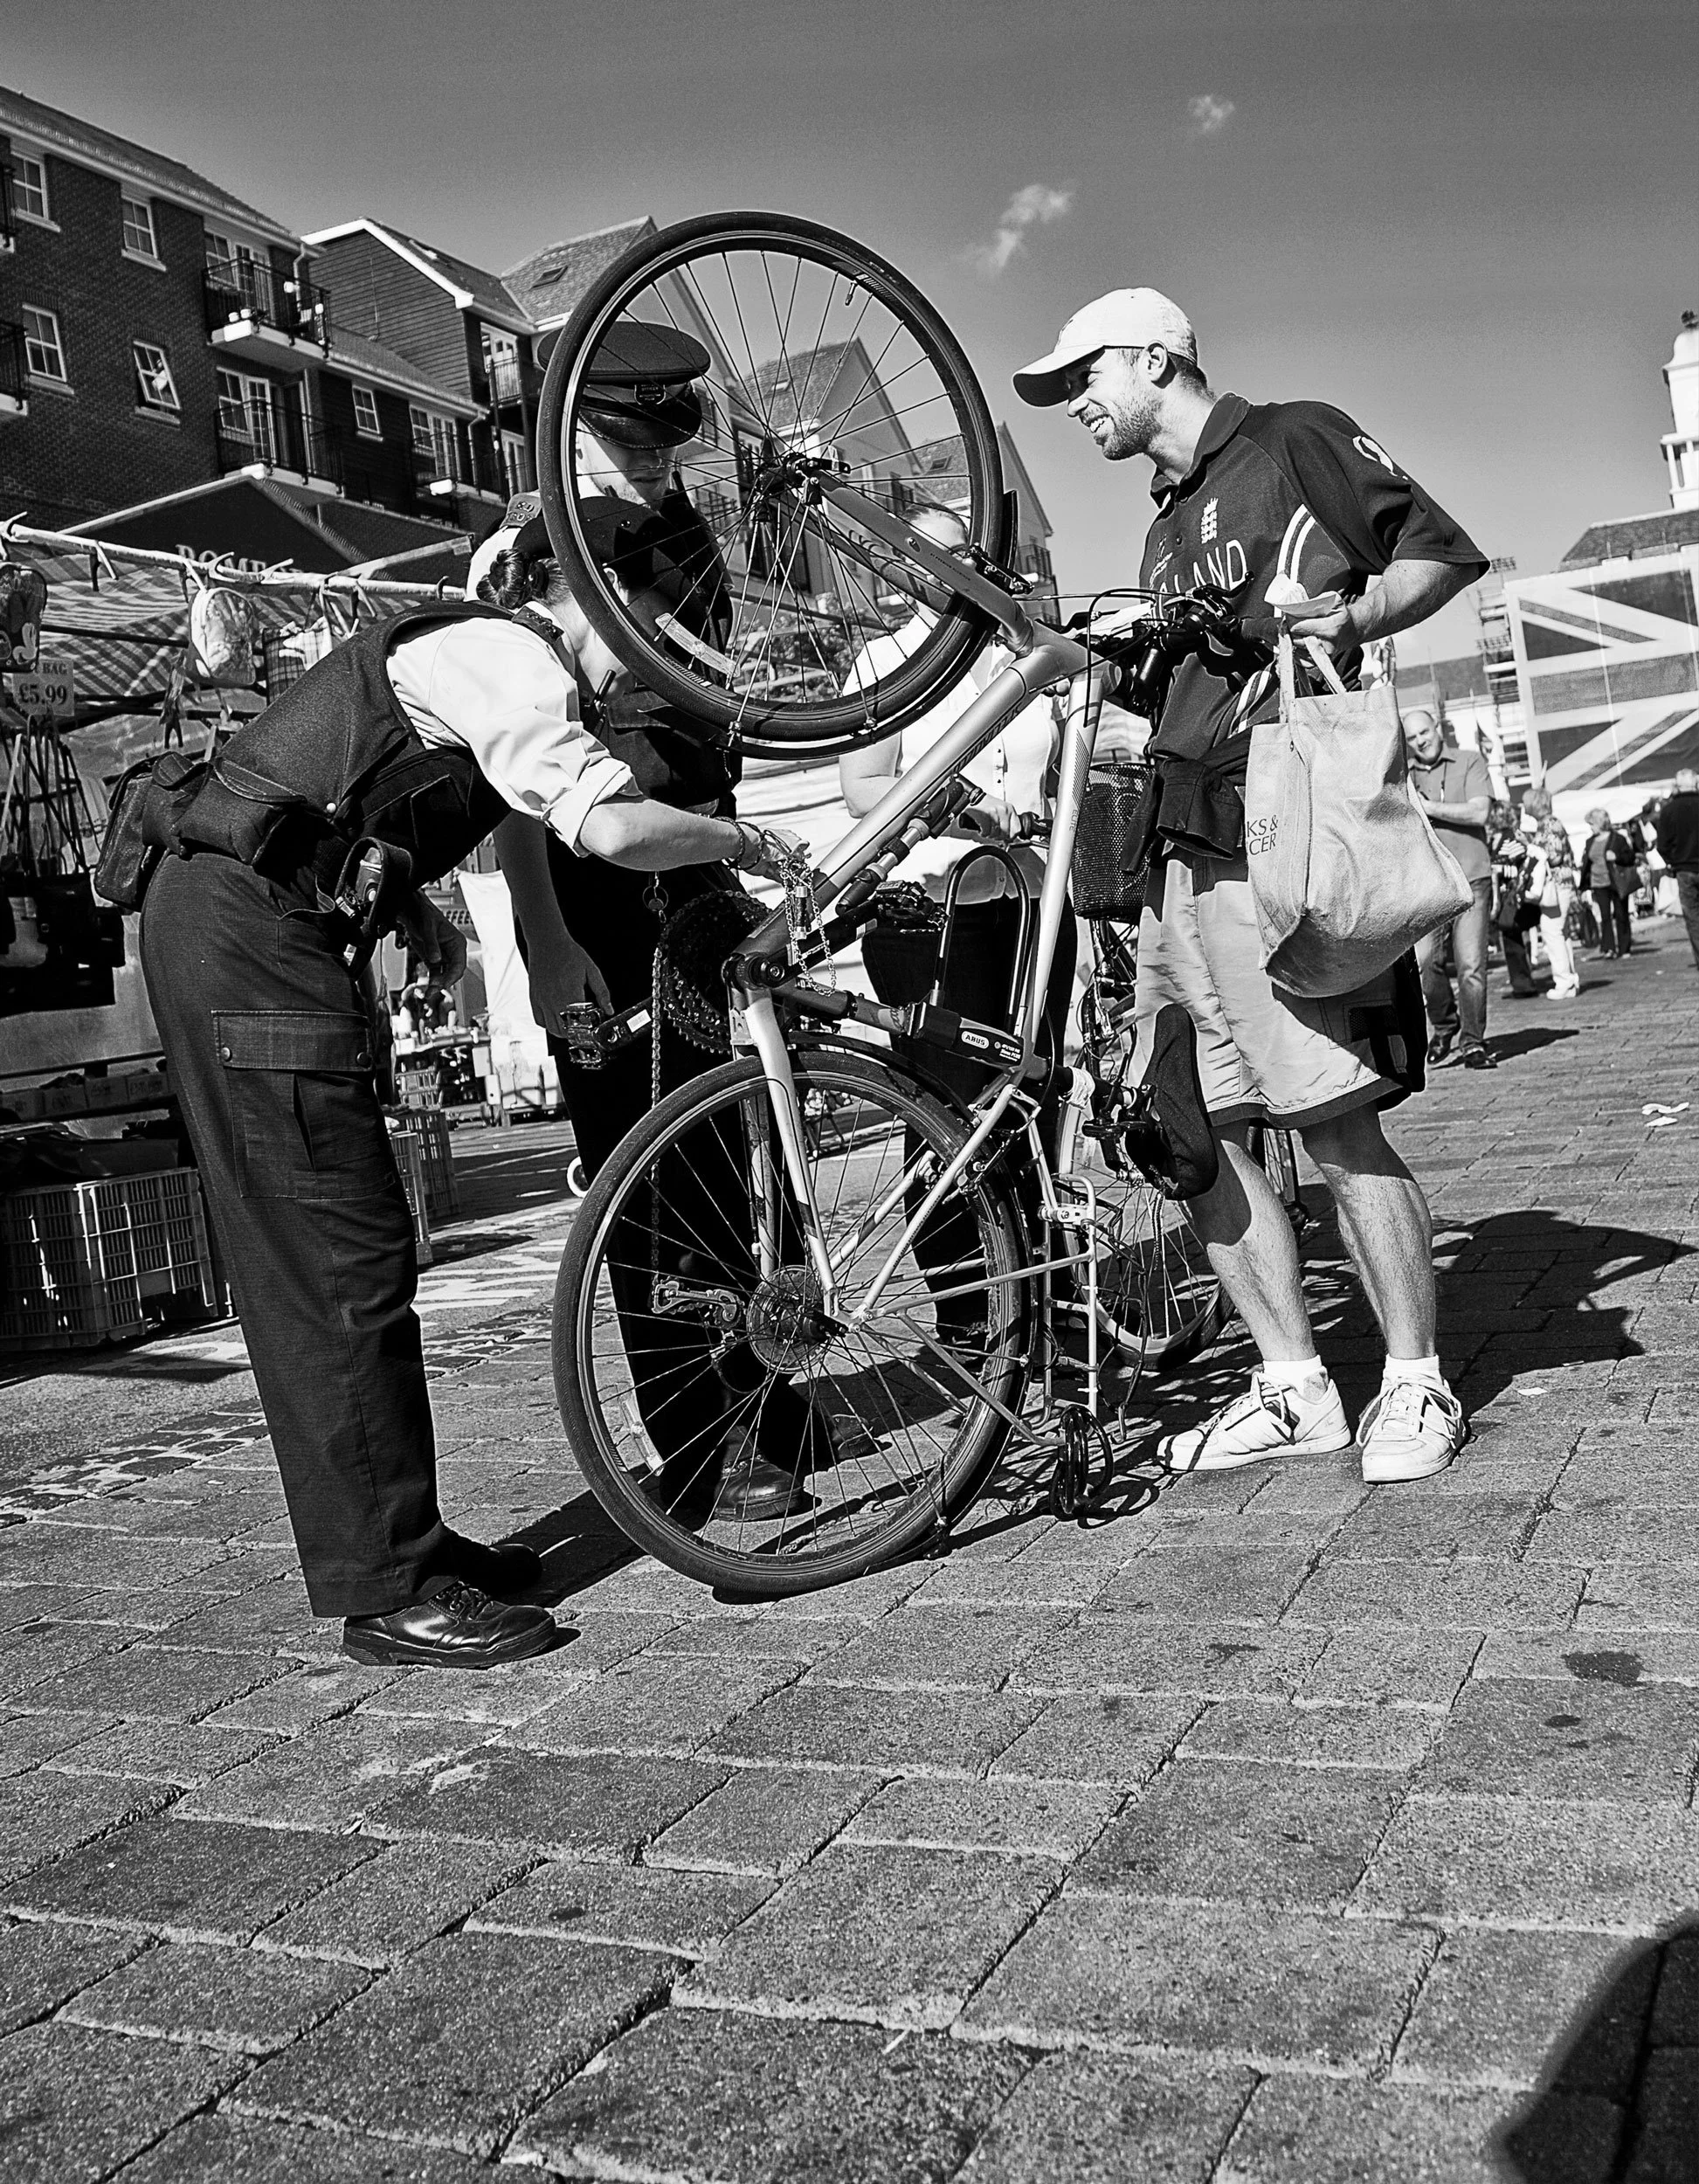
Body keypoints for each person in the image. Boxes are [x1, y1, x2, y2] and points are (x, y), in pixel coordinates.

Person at [139, 496, 798, 1672]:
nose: (648, 657)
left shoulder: (488, 656)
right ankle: (387, 1589)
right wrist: (739, 845)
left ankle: (410, 1539)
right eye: (646, 627)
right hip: (245, 946)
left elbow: (358, 803)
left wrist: (421, 924)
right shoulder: (511, 657)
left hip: (267, 934)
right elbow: (601, 826)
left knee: (363, 1251)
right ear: (593, 599)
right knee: (335, 1267)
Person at [1015, 286, 1486, 1482]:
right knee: (1192, 1129)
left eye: (1083, 378)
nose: (1074, 404)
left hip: (1272, 832)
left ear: (1152, 356)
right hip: (1175, 851)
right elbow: (1166, 691)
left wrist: (1346, 608)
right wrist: (1083, 664)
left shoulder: (1290, 438)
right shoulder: (1164, 525)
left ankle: (1415, 1382)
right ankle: (1292, 1385)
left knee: (1330, 1116)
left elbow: (1439, 552)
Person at [837, 501, 1074, 1345]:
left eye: (958, 554)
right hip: (931, 907)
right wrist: (948, 812)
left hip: (1030, 898)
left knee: (1033, 1089)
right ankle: (971, 1307)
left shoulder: (1014, 654)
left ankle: (1040, 1286)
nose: (944, 571)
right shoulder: (884, 661)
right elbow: (862, 789)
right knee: (945, 1107)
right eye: (924, 556)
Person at [1404, 708, 1494, 1065]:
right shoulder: (1403, 775)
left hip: (1471, 875)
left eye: (1423, 733)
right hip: (1429, 882)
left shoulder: (1470, 761)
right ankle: (1444, 1026)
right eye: (1411, 738)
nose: (1419, 741)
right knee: (1426, 963)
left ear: (1437, 728)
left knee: (1471, 964)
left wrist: (1430, 808)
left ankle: (1473, 1041)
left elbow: (1479, 812)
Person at [1517, 791, 1580, 999]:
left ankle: (1563, 981)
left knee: (1552, 932)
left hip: (1556, 884)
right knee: (1561, 933)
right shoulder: (1549, 824)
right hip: (1561, 883)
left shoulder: (1549, 825)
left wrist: (1529, 846)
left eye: (1526, 802)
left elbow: (1553, 857)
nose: (1524, 807)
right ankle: (1570, 980)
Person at [1654, 767, 1699, 968]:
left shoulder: (1669, 810)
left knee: (1693, 917)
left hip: (1684, 869)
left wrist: (1673, 861)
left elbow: (1662, 845)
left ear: (1677, 786)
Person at [1580, 808, 1635, 958]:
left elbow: (1630, 857)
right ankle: (1608, 948)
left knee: (1621, 914)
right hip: (1598, 882)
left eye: (1592, 824)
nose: (1590, 828)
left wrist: (1616, 857)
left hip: (1616, 881)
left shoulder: (1617, 839)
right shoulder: (1590, 841)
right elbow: (1587, 862)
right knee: (1605, 917)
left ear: (1599, 823)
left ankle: (1624, 948)